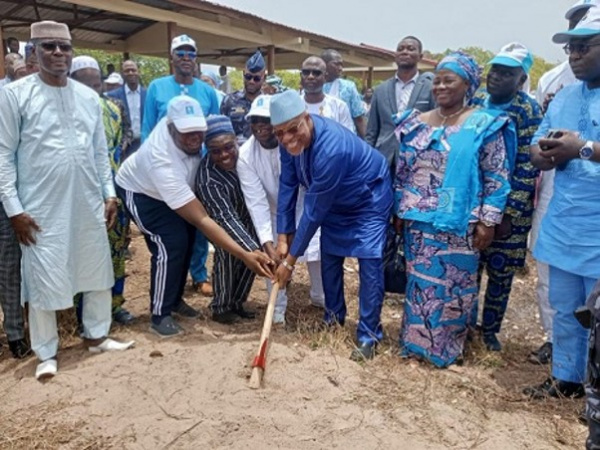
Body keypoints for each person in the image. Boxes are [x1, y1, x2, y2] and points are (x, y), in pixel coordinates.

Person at [0, 21, 135, 380]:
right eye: (49, 47)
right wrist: (14, 210)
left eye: (64, 47)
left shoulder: (88, 97)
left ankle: (97, 335)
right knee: (43, 275)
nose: (58, 53)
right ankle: (47, 352)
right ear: (34, 52)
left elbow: (98, 152)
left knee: (95, 268)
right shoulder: (15, 96)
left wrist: (108, 194)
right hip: (40, 206)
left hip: (87, 200)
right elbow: (3, 156)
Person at [393, 51, 515, 368]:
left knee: (454, 286)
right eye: (437, 80)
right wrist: (397, 210)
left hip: (460, 222)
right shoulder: (416, 123)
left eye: (449, 80)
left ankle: (446, 349)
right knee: (420, 284)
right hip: (419, 221)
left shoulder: (482, 124)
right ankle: (415, 343)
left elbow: (496, 176)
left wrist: (488, 222)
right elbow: (403, 172)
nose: (440, 86)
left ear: (468, 85)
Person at [116, 96, 273, 336]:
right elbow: (202, 218)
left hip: (178, 191)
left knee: (188, 240)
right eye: (186, 133)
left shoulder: (201, 135)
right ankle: (160, 314)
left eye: (198, 131)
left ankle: (175, 299)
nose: (195, 139)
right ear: (170, 127)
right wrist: (244, 254)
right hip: (143, 192)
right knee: (170, 243)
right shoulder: (160, 160)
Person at [271, 90, 392, 361]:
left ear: (306, 118)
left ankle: (368, 335)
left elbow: (313, 212)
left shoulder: (332, 147)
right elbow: (288, 185)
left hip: (367, 199)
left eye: (293, 130)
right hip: (335, 202)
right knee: (330, 257)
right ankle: (333, 319)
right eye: (280, 133)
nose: (287, 139)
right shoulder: (286, 141)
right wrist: (282, 237)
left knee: (370, 263)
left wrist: (290, 262)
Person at [523, 6, 600, 400]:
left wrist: (582, 148)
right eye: (571, 49)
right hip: (566, 223)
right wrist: (544, 153)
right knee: (566, 309)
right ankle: (567, 378)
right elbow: (537, 146)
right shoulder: (565, 95)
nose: (574, 56)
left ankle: (596, 389)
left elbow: (581, 148)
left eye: (584, 48)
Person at [471, 43, 543, 351]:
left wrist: (505, 213)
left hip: (510, 212)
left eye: (506, 73)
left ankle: (489, 331)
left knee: (500, 273)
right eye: (494, 70)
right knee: (469, 268)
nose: (496, 77)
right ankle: (465, 325)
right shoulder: (475, 103)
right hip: (473, 203)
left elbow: (529, 165)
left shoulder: (528, 110)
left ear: (521, 79)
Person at [237, 95, 325, 324]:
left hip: (306, 206)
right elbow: (256, 202)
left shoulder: (296, 142)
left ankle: (321, 297)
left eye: (265, 120)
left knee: (317, 252)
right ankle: (277, 312)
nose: (260, 126)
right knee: (273, 259)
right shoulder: (246, 156)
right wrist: (268, 242)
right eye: (254, 120)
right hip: (274, 212)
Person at [143, 34, 219, 297]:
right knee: (170, 223)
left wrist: (213, 169)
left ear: (196, 59)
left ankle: (199, 275)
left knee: (198, 221)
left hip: (198, 166)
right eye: (181, 53)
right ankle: (172, 275)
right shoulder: (156, 87)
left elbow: (214, 131)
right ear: (172, 57)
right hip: (166, 167)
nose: (186, 58)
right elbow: (148, 129)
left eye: (191, 54)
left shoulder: (208, 91)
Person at [70, 55, 135, 326]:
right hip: (78, 193)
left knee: (116, 250)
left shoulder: (115, 107)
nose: (92, 91)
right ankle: (80, 313)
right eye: (86, 85)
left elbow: (127, 136)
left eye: (96, 85)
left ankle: (115, 305)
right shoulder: (64, 109)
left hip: (114, 192)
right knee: (82, 253)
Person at [196, 116, 264, 324]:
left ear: (235, 140)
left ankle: (237, 302)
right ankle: (221, 307)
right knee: (229, 253)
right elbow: (225, 218)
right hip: (223, 224)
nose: (224, 155)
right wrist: (253, 250)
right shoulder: (208, 179)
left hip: (249, 215)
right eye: (215, 151)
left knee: (249, 260)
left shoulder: (247, 154)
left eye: (228, 147)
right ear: (207, 149)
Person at [366, 36, 436, 167]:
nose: (405, 52)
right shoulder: (380, 90)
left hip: (417, 160)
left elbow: (436, 127)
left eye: (411, 49)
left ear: (420, 56)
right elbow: (372, 131)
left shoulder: (430, 88)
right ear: (395, 55)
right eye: (400, 49)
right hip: (384, 158)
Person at [220, 50, 265, 145]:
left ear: (264, 78)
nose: (251, 81)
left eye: (256, 78)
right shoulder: (229, 101)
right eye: (248, 77)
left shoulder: (268, 103)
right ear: (243, 74)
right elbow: (222, 131)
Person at [300, 56, 354, 132]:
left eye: (316, 73)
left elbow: (347, 138)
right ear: (301, 76)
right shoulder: (292, 107)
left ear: (325, 77)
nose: (310, 76)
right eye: (306, 73)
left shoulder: (339, 107)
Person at [321, 49, 366, 138]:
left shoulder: (348, 87)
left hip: (345, 138)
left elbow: (359, 119)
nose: (340, 68)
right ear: (324, 64)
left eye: (341, 65)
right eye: (336, 64)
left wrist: (368, 145)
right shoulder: (314, 86)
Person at [107, 60, 146, 158]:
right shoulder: (113, 96)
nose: (131, 73)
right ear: (122, 74)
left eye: (133, 70)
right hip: (123, 148)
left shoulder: (148, 94)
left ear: (138, 72)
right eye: (127, 71)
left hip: (144, 144)